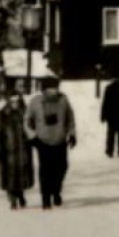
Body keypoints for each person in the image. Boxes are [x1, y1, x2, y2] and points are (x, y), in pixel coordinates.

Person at [26, 76, 77, 209]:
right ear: (44, 89)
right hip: (43, 141)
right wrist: (32, 137)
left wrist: (72, 134)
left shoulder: (63, 100)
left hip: (60, 140)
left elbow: (70, 117)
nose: (53, 91)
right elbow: (27, 121)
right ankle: (46, 197)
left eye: (55, 88)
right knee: (45, 170)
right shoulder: (35, 101)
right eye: (50, 89)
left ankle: (56, 190)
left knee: (62, 167)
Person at [0, 91, 34, 210]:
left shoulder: (25, 112)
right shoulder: (3, 114)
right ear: (8, 101)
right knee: (10, 175)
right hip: (8, 150)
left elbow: (32, 128)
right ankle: (13, 197)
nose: (15, 103)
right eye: (12, 101)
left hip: (23, 149)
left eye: (17, 100)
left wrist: (33, 140)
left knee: (22, 174)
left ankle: (20, 194)